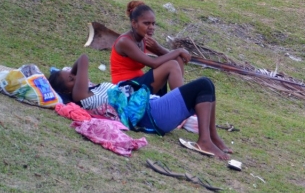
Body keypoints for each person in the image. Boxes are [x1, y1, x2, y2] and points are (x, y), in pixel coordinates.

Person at [49, 54, 232, 160]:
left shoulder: (91, 90)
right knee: (204, 84)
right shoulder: (83, 98)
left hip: (152, 106)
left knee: (208, 87)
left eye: (73, 75)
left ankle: (212, 135)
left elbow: (80, 65)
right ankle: (205, 141)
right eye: (71, 79)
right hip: (152, 115)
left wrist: (68, 76)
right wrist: (72, 74)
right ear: (67, 90)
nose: (75, 76)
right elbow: (83, 59)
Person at [110, 0, 191, 94]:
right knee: (172, 65)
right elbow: (154, 63)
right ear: (134, 24)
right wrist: (179, 50)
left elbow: (172, 56)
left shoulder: (143, 39)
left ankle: (180, 97)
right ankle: (183, 100)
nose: (151, 27)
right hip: (125, 89)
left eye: (153, 23)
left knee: (177, 59)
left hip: (138, 82)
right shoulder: (125, 41)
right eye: (146, 23)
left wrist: (158, 48)